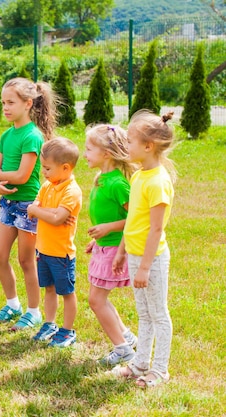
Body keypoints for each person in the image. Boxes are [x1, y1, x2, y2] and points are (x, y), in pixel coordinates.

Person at [111, 111, 176, 388]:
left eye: (130, 141)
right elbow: (134, 221)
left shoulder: (158, 182)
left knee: (158, 314)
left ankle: (159, 370)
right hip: (136, 255)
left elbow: (156, 229)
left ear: (148, 146)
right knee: (144, 314)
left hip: (153, 260)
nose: (126, 146)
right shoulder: (139, 176)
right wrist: (122, 250)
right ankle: (140, 364)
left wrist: (146, 267)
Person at [0, 77, 58, 330]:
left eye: (11, 102)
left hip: (28, 206)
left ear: (28, 103)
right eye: (3, 102)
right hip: (8, 203)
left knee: (27, 260)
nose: (5, 107)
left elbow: (22, 176)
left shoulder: (32, 136)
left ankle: (33, 311)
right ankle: (12, 304)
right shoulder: (7, 135)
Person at [84, 125, 138, 365]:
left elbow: (136, 219)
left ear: (106, 153)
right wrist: (97, 237)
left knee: (96, 300)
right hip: (104, 246)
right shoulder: (101, 179)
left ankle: (123, 349)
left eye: (89, 149)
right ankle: (126, 336)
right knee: (100, 298)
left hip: (117, 248)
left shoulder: (118, 184)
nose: (84, 153)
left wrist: (108, 229)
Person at [27, 137, 82, 347]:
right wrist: (47, 212)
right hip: (43, 250)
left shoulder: (71, 191)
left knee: (66, 292)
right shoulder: (47, 186)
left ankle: (67, 331)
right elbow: (34, 209)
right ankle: (50, 323)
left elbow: (58, 219)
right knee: (48, 288)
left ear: (66, 168)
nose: (44, 172)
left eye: (48, 168)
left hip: (61, 254)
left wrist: (41, 212)